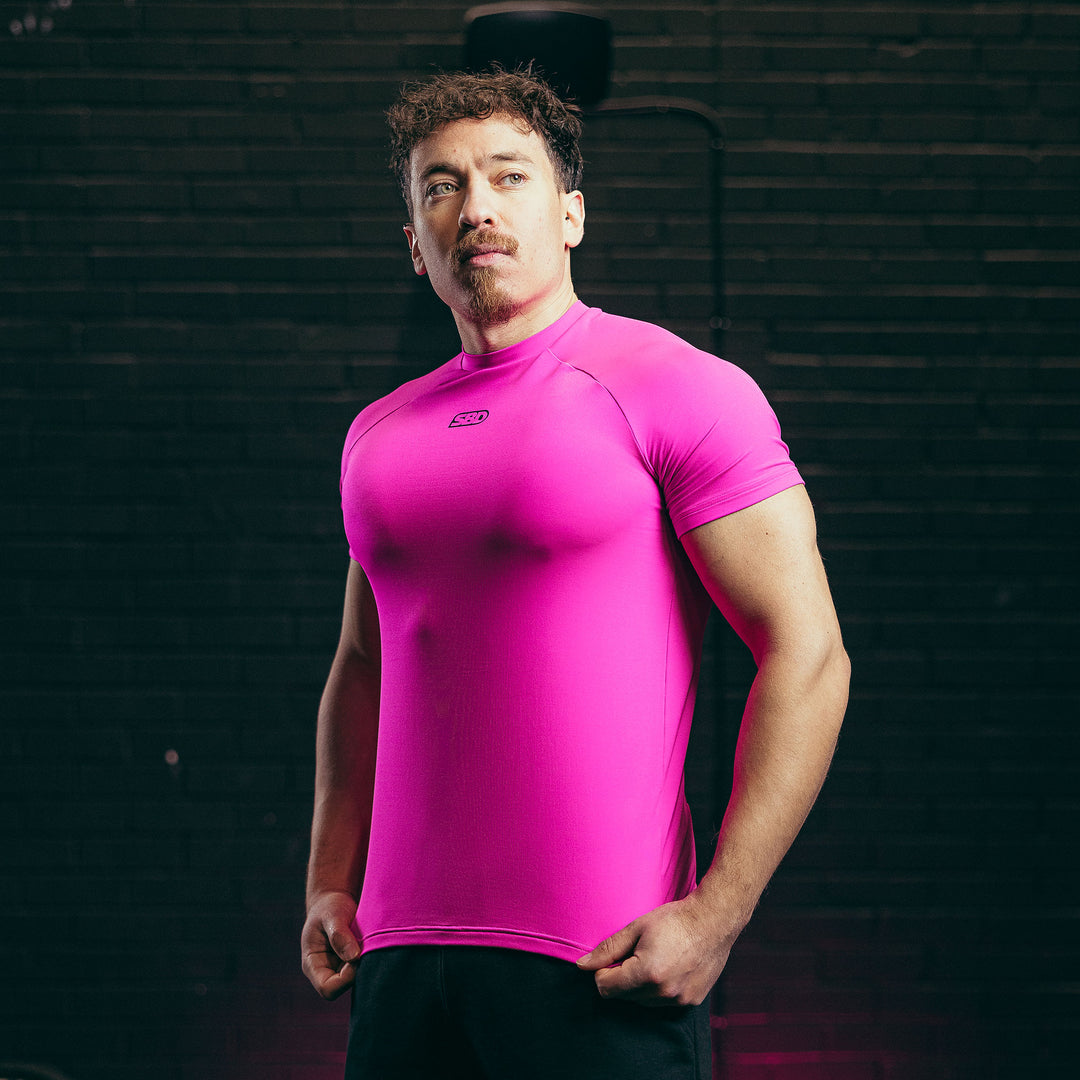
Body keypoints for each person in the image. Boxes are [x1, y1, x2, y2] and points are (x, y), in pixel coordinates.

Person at [301, 67, 849, 1079]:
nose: (476, 207)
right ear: (414, 243)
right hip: (400, 960)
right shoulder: (377, 436)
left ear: (572, 216)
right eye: (442, 186)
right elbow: (362, 667)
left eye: (510, 176)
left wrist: (718, 916)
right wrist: (328, 877)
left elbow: (808, 653)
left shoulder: (678, 388)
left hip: (600, 964)